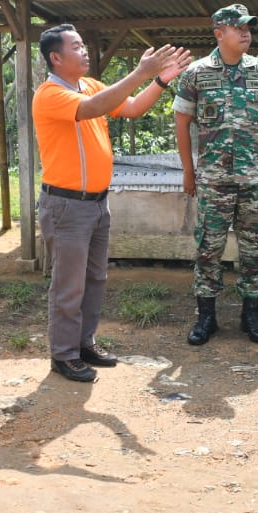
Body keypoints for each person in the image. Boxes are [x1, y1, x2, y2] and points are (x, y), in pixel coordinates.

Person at [33, 24, 192, 382]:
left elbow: (132, 108)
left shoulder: (90, 85)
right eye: (76, 47)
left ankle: (84, 344)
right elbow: (92, 109)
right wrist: (140, 73)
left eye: (83, 44)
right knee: (69, 284)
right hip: (66, 206)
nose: (84, 51)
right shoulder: (49, 94)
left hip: (96, 204)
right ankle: (63, 355)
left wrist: (160, 80)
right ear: (56, 57)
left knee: (94, 279)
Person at [174, 4, 258, 346]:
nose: (246, 33)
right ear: (219, 34)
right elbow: (181, 123)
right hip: (213, 180)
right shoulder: (196, 73)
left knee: (255, 249)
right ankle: (206, 317)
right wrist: (189, 171)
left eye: (248, 27)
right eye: (239, 28)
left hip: (254, 181)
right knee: (209, 249)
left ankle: (252, 315)